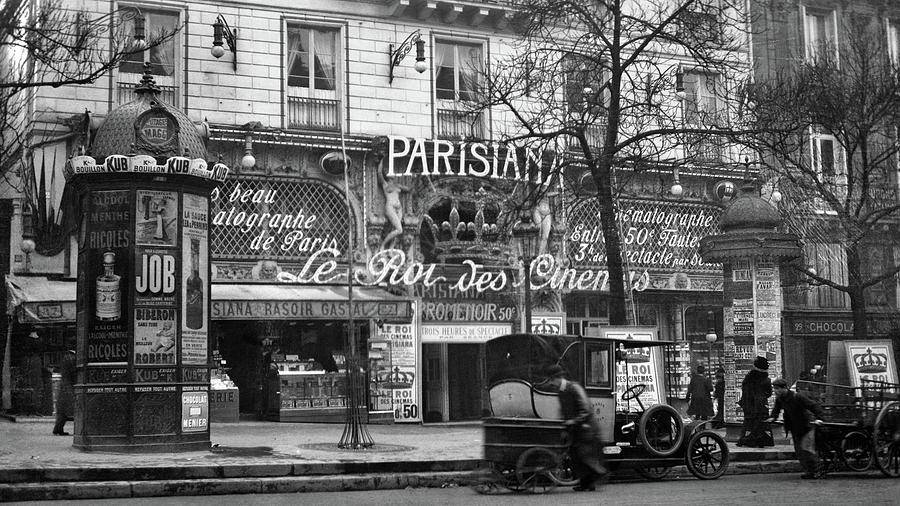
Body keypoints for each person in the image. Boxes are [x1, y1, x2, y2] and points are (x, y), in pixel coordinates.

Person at [545, 364, 607, 492]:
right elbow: (564, 410)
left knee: (584, 455)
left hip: (586, 427)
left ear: (557, 378)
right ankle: (586, 484)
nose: (551, 384)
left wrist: (574, 420)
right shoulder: (562, 391)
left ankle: (599, 475)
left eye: (552, 380)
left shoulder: (574, 388)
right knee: (576, 456)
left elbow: (586, 409)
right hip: (576, 427)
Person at [765, 378, 825, 479]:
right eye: (774, 388)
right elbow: (776, 409)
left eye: (777, 388)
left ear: (784, 388)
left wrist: (820, 418)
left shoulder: (797, 396)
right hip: (794, 427)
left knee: (807, 450)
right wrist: (773, 417)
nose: (775, 391)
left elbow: (813, 406)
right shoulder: (780, 398)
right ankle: (809, 472)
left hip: (806, 426)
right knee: (800, 452)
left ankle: (818, 471)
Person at [737, 356, 773, 447]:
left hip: (749, 404)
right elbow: (769, 393)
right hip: (761, 405)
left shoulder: (748, 378)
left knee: (749, 423)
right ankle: (761, 441)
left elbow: (744, 390)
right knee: (761, 423)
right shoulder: (766, 380)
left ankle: (747, 440)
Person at [53, 350, 76, 436]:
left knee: (62, 410)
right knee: (70, 408)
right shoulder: (72, 358)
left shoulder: (66, 357)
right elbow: (73, 373)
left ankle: (58, 428)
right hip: (70, 386)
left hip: (65, 386)